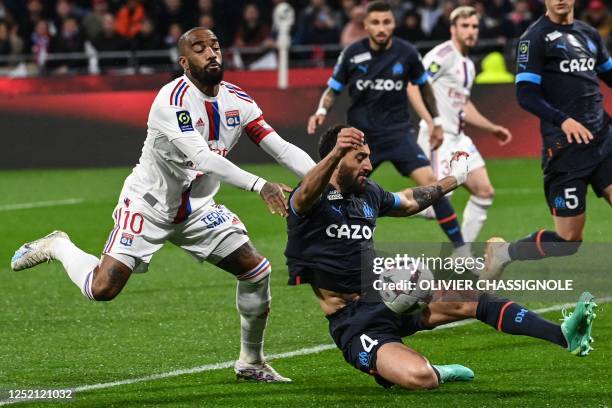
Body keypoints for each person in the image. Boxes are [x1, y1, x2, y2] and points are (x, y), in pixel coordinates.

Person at [11, 27, 316, 383]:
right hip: (149, 205)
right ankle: (59, 245)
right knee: (102, 289)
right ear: (185, 63)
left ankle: (251, 362)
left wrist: (322, 177)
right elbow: (202, 157)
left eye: (215, 46)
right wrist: (259, 185)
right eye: (200, 49)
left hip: (198, 209)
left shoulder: (239, 101)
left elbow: (279, 146)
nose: (212, 53)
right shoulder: (171, 101)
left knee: (256, 271)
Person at [285, 124, 597, 389]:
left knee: (473, 299)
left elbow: (409, 201)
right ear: (335, 158)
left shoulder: (368, 194)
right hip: (355, 324)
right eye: (360, 158)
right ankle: (437, 371)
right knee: (421, 378)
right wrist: (336, 152)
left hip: (387, 294)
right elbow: (303, 195)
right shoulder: (310, 198)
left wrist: (455, 179)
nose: (369, 165)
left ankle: (563, 335)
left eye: (369, 157)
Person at [307, 0, 473, 261]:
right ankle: (320, 251)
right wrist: (320, 111)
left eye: (386, 22)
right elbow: (333, 88)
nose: (381, 28)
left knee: (434, 187)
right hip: (361, 140)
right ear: (366, 25)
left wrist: (436, 122)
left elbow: (424, 87)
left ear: (393, 24)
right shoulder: (352, 53)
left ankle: (462, 248)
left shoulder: (407, 53)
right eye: (375, 22)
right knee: (334, 193)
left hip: (398, 135)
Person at [483, 0, 612, 280]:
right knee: (568, 241)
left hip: (603, 139)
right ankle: (504, 253)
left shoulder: (588, 34)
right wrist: (563, 120)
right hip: (565, 150)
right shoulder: (535, 38)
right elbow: (526, 94)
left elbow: (609, 73)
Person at [408, 6, 512, 258]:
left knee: (484, 192)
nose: (471, 31)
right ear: (453, 29)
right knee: (434, 207)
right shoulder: (442, 54)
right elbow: (414, 86)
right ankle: (379, 202)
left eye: (474, 26)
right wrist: (432, 122)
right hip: (438, 138)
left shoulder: (468, 64)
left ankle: (460, 256)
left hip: (459, 139)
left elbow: (463, 104)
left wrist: (491, 127)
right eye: (465, 26)